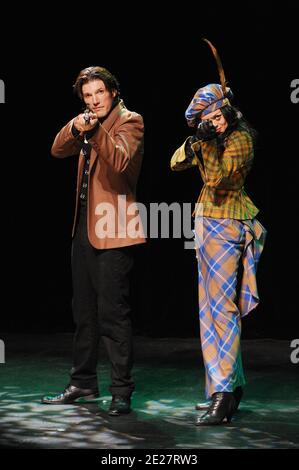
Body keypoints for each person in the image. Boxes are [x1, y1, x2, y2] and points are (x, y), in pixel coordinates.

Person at [170, 40, 266, 425]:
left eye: (217, 114)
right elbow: (175, 163)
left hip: (228, 224)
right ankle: (226, 387)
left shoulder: (241, 139)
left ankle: (224, 393)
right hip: (205, 223)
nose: (215, 120)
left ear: (227, 109)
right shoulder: (206, 136)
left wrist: (208, 144)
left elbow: (219, 180)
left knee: (223, 311)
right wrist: (196, 140)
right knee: (207, 311)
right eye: (206, 117)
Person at [41, 66, 145, 416]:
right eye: (88, 95)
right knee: (83, 313)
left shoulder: (130, 121)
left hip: (114, 229)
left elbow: (118, 162)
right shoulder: (88, 122)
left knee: (113, 314)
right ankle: (82, 381)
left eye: (99, 92)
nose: (94, 100)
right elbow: (57, 150)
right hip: (84, 229)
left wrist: (95, 129)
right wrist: (75, 127)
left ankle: (121, 391)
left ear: (113, 92)